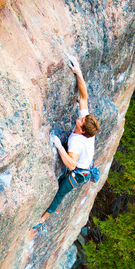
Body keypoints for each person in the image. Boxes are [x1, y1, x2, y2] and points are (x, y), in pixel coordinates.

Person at [33, 55, 100, 230]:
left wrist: (58, 145)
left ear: (83, 130)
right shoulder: (86, 125)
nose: (79, 119)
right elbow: (84, 96)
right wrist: (78, 72)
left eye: (81, 121)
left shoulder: (78, 141)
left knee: (60, 193)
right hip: (83, 163)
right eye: (82, 118)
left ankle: (42, 219)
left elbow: (71, 165)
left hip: (79, 173)